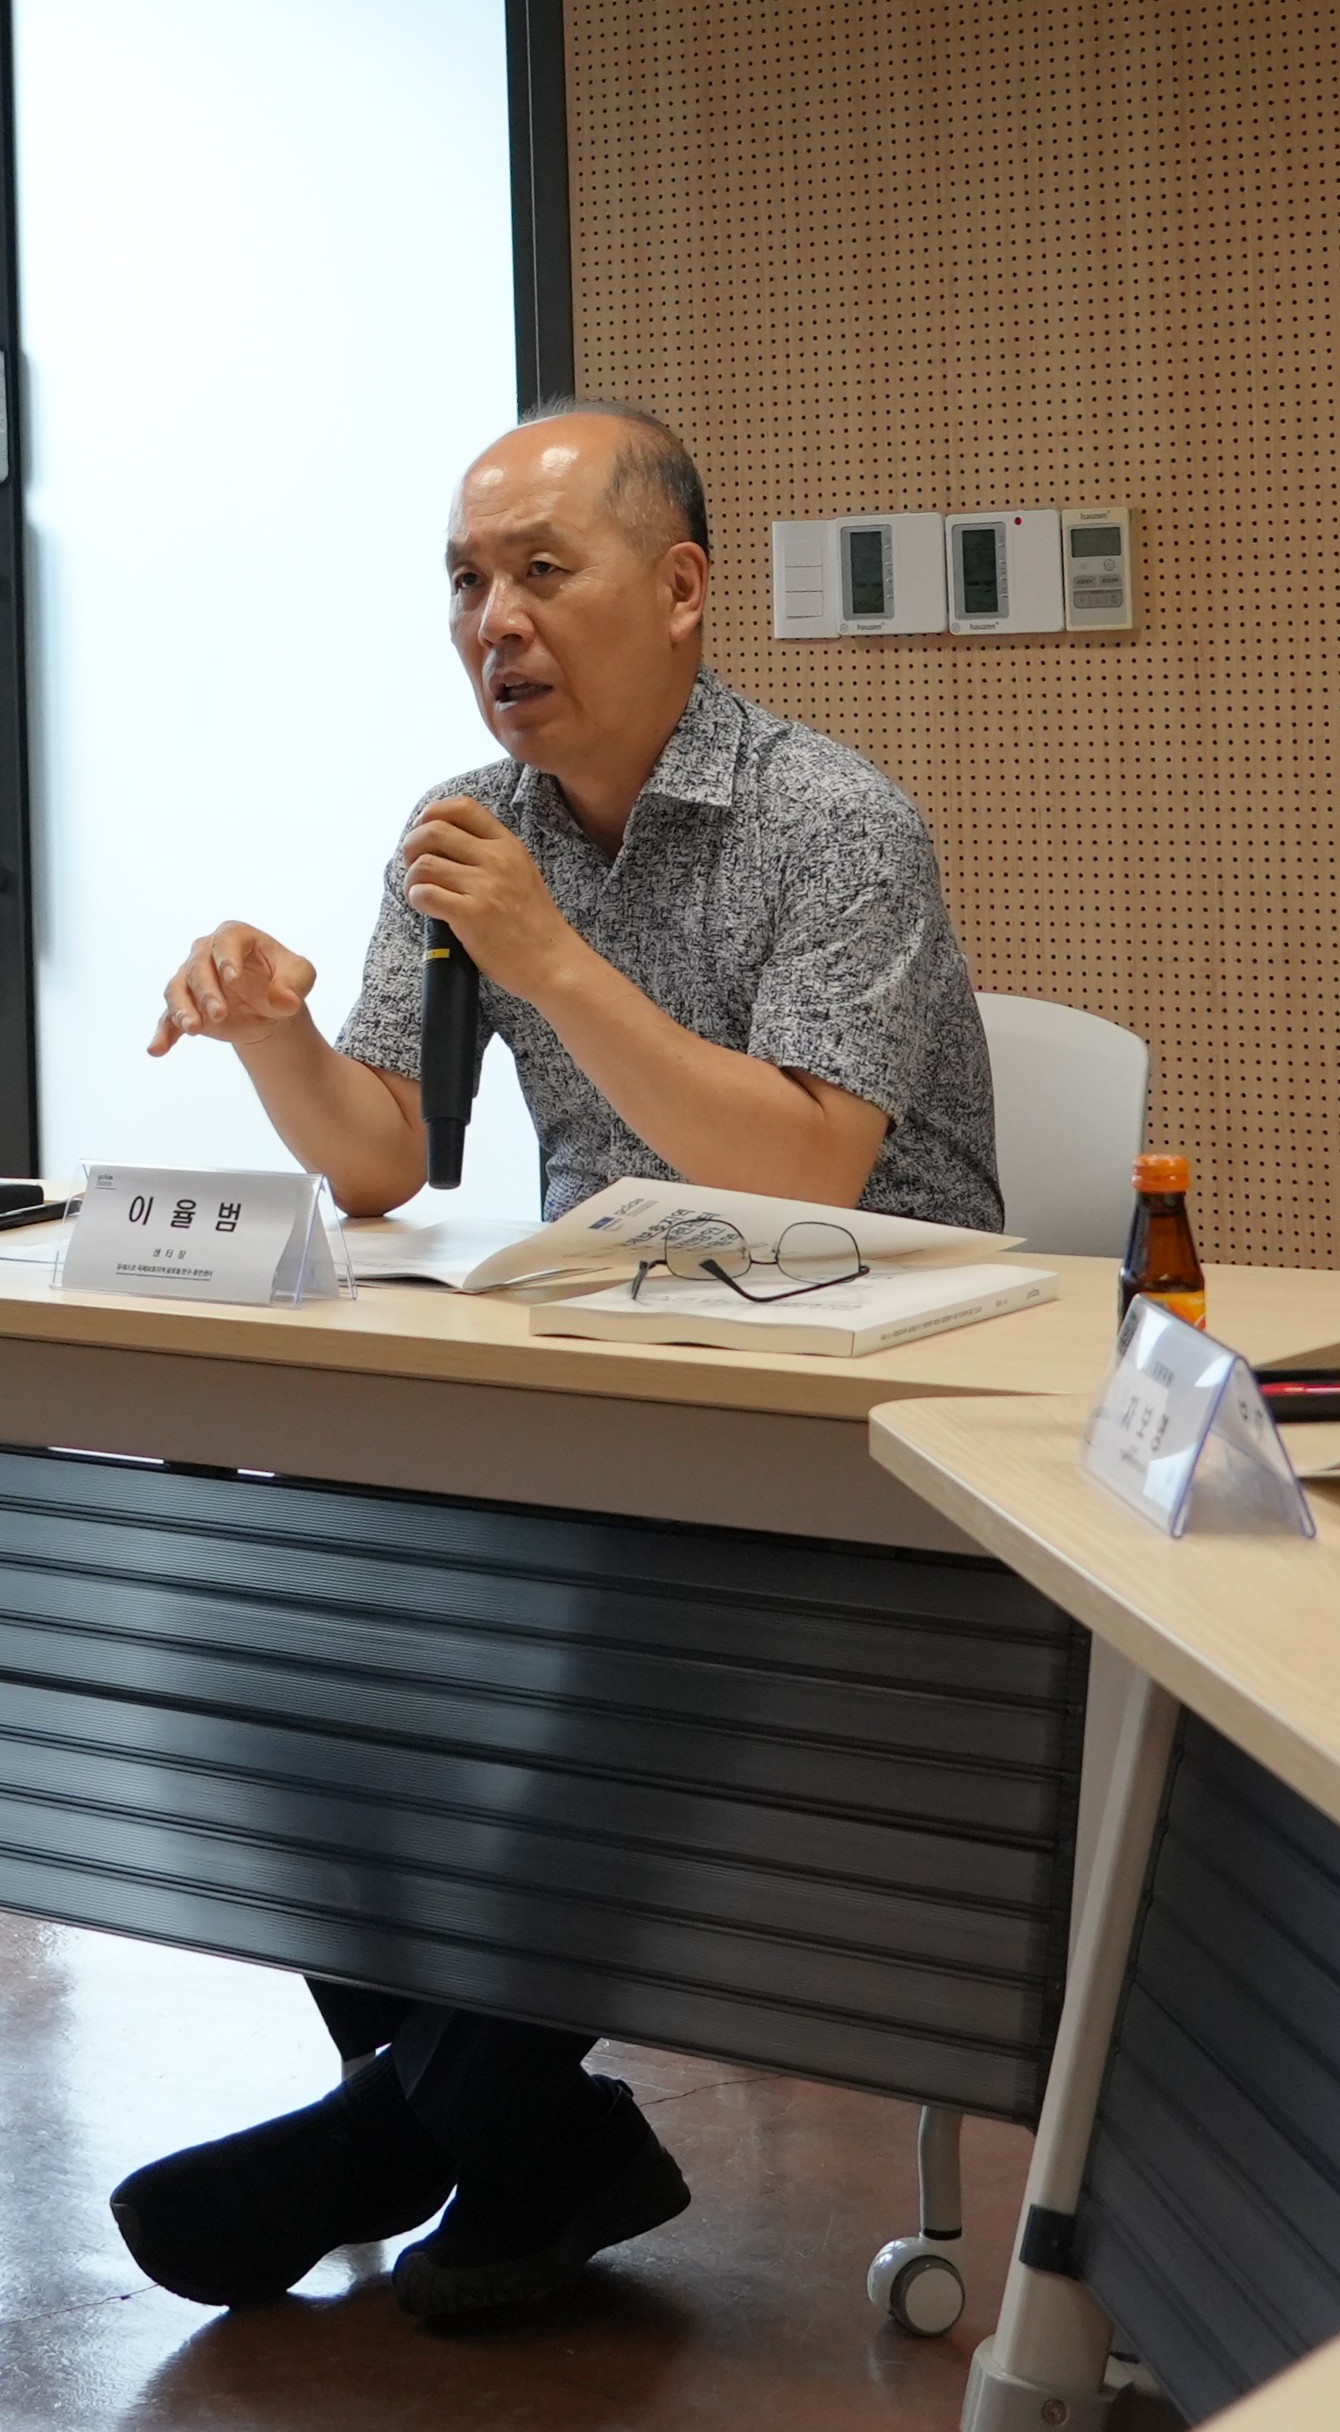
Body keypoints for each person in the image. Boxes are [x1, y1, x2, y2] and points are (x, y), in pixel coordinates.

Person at [112, 403, 997, 2324]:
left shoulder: (834, 821)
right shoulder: (467, 825)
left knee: (608, 1651)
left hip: (865, 1414)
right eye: (463, 582)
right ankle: (519, 2134)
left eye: (538, 571)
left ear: (677, 590)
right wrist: (272, 1034)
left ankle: (402, 2131)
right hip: (608, 1384)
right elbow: (382, 1157)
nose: (492, 621)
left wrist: (553, 958)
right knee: (287, 1631)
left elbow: (805, 1168)